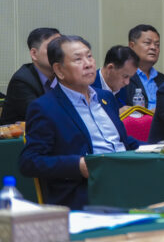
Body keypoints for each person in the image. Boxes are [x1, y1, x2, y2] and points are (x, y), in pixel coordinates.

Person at [19, 35, 139, 209]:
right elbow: (30, 162)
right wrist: (78, 165)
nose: (88, 64)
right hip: (88, 190)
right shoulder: (45, 107)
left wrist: (158, 148)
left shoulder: (105, 98)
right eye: (78, 59)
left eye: (89, 56)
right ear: (59, 70)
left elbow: (122, 142)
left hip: (126, 179)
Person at [1, 27, 61, 124]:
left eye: (60, 47)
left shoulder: (64, 75)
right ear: (34, 54)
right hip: (20, 133)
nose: (58, 52)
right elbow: (40, 116)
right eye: (52, 48)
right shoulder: (21, 81)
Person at [126, 24, 164, 109]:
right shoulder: (123, 78)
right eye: (147, 43)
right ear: (131, 46)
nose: (153, 47)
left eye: (157, 45)